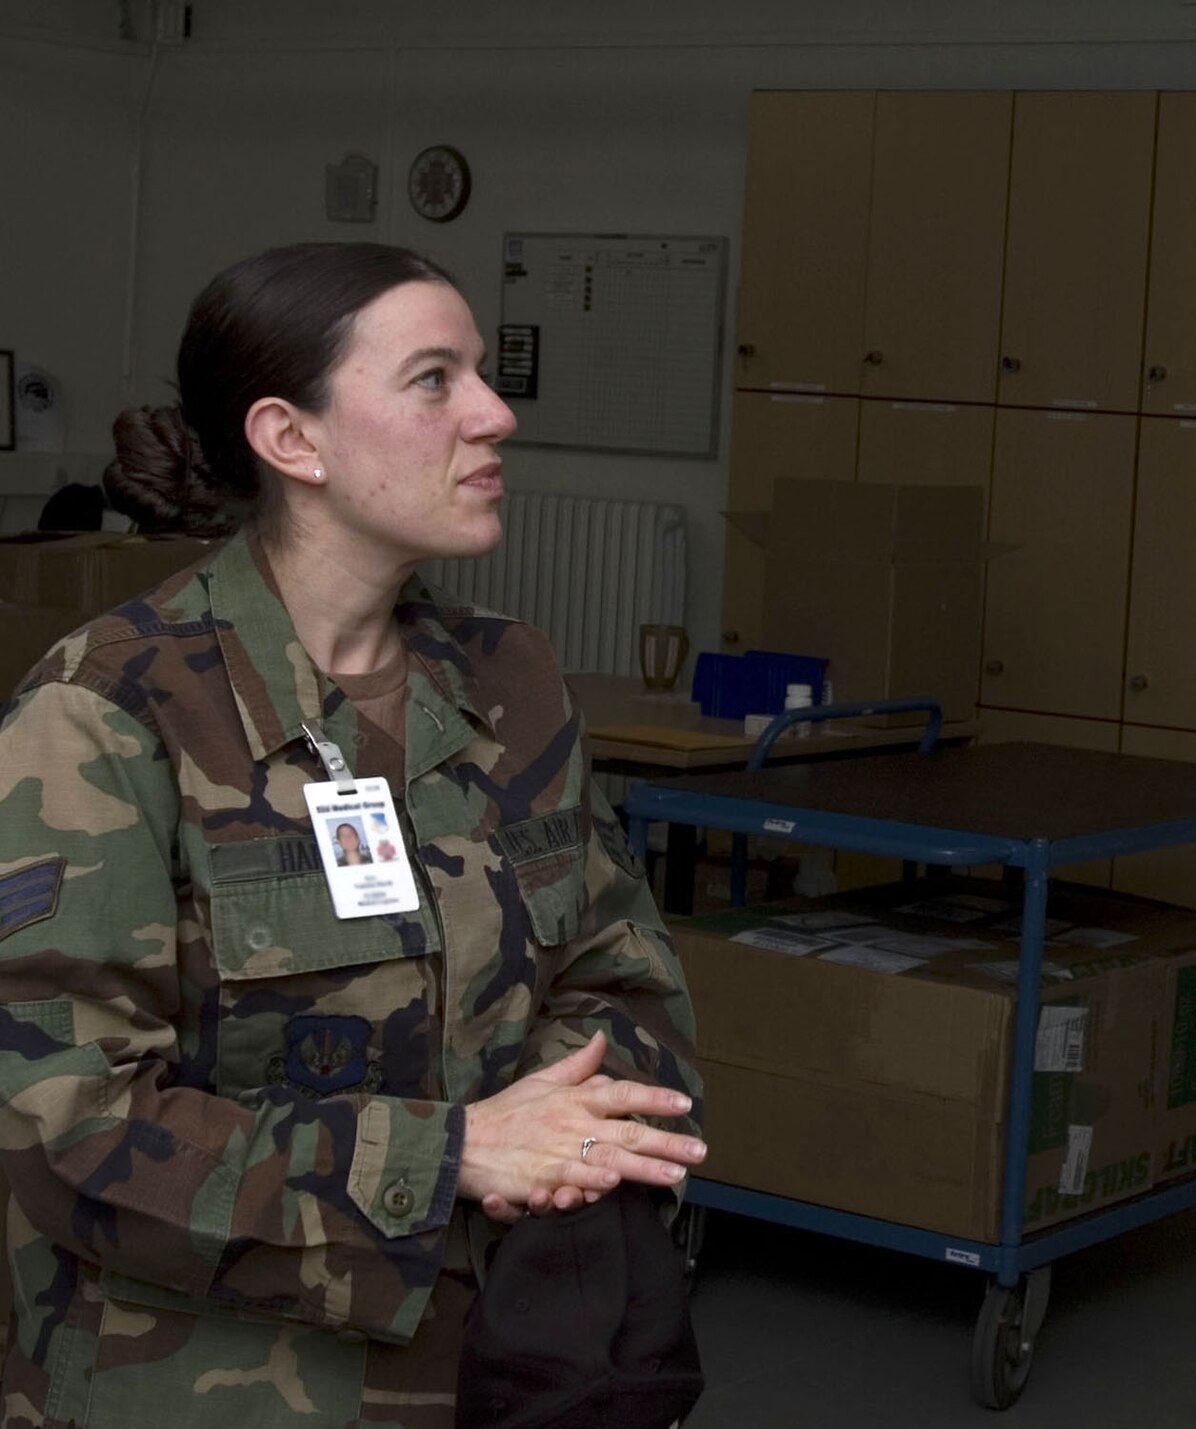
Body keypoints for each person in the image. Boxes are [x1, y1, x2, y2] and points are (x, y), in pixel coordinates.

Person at [0, 242, 704, 1428]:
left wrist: (568, 1137)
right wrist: (456, 1155)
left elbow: (620, 971)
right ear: (293, 439)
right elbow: (63, 1127)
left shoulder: (510, 679)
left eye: (480, 372)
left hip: (513, 1362)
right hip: (202, 1389)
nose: (494, 412)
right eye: (435, 379)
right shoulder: (108, 713)